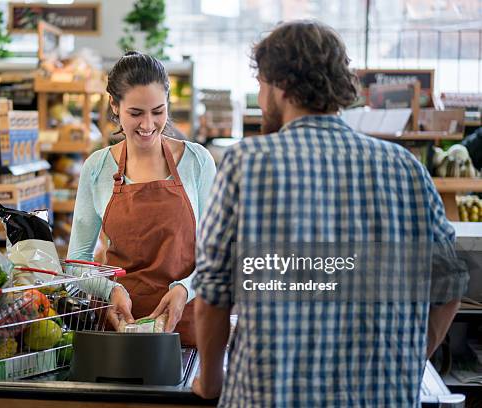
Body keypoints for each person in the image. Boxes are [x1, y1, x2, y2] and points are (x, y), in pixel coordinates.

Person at [192, 20, 468, 406]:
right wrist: (410, 357)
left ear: (280, 86)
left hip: (270, 395)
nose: (260, 95)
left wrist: (210, 383)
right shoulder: (405, 167)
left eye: (261, 84)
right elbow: (451, 283)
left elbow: (212, 297)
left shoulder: (246, 162)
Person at [67, 51, 216, 346]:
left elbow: (218, 256)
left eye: (158, 111)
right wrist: (109, 291)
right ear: (114, 105)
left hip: (186, 330)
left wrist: (185, 289)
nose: (148, 124)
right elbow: (75, 264)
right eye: (136, 113)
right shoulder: (97, 168)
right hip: (120, 331)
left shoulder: (197, 162)